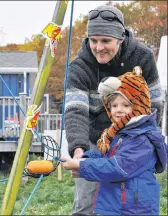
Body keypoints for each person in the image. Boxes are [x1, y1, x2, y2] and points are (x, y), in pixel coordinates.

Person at [64, 4, 164, 215]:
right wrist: (78, 149)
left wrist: (147, 141)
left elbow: (155, 103)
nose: (99, 47)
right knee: (86, 202)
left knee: (130, 198)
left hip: (134, 139)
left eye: (105, 41)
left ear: (120, 39)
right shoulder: (79, 66)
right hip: (97, 140)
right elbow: (76, 110)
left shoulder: (142, 57)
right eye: (94, 40)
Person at [62, 67, 167, 215]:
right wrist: (83, 159)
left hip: (134, 210)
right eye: (114, 105)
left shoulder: (142, 138)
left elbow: (118, 168)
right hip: (117, 206)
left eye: (126, 105)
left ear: (139, 105)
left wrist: (82, 166)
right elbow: (105, 157)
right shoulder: (119, 134)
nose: (119, 110)